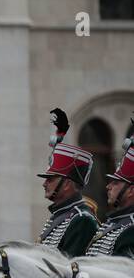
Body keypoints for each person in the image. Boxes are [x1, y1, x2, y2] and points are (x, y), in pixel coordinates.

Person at [37, 108, 99, 256]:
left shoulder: (82, 220)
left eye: (50, 179)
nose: (44, 184)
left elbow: (68, 271)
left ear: (66, 184)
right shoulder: (60, 215)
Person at [86, 127, 134, 256]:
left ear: (131, 191)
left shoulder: (131, 229)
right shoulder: (112, 223)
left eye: (116, 183)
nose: (108, 186)